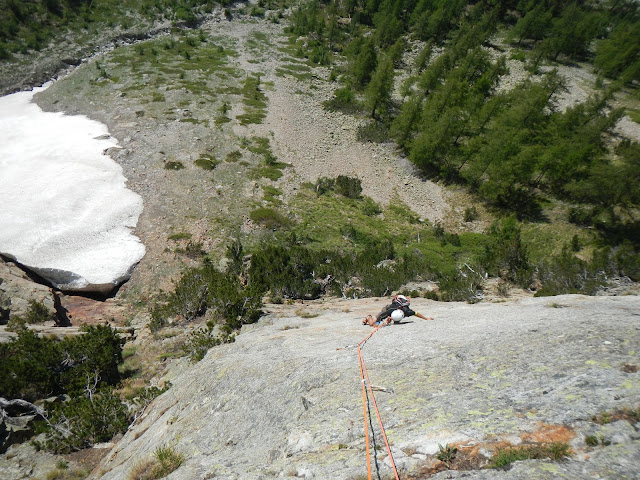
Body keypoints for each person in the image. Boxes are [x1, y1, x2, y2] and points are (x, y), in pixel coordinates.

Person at [362, 294, 433, 326]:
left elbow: (416, 313)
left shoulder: (407, 311)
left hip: (396, 312)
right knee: (372, 324)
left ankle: (393, 320)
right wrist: (377, 323)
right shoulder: (390, 310)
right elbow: (381, 316)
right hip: (387, 309)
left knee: (395, 322)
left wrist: (426, 318)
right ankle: (368, 317)